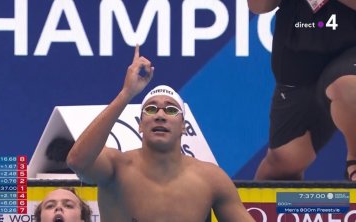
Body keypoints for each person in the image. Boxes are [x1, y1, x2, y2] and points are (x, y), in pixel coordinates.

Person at [66, 45, 254, 221]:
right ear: (140, 124)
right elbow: (77, 161)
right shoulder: (115, 167)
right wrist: (126, 94)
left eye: (171, 110)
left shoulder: (211, 179)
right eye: (151, 109)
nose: (160, 115)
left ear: (183, 126)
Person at [248, 0, 356, 180]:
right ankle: (255, 207)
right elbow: (258, 7)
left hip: (351, 49)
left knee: (348, 87)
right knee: (285, 160)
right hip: (300, 54)